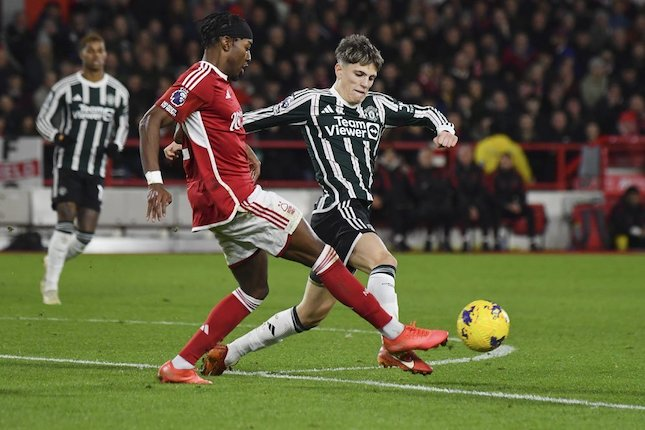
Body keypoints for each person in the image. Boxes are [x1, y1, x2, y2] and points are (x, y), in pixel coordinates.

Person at [140, 13, 449, 385]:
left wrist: (444, 127)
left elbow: (223, 128)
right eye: (246, 47)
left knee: (274, 298)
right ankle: (394, 335)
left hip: (227, 206)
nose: (365, 84)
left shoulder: (377, 106)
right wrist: (157, 177)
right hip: (275, 201)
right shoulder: (298, 99)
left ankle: (201, 359)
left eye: (370, 77)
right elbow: (161, 119)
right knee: (357, 259)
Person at [36, 33, 129, 305]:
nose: (97, 55)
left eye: (101, 50)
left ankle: (52, 260)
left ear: (105, 55)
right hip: (68, 164)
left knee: (85, 234)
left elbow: (123, 125)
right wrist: (58, 137)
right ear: (82, 54)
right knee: (66, 221)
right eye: (91, 51)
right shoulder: (66, 87)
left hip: (96, 167)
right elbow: (42, 119)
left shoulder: (118, 92)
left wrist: (117, 145)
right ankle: (50, 288)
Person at [411, 147, 455, 252]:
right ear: (419, 159)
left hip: (437, 203)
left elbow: (444, 189)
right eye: (425, 157)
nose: (428, 159)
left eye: (429, 157)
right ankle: (429, 239)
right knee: (430, 210)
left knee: (447, 209)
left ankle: (445, 239)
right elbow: (415, 192)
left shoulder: (438, 172)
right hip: (420, 204)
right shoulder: (414, 172)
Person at [452, 144, 495, 251]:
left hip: (477, 202)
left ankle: (485, 239)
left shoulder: (478, 171)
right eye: (463, 155)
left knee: (487, 206)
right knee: (460, 208)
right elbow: (457, 191)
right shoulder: (454, 171)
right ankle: (465, 239)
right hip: (461, 202)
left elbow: (482, 190)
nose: (465, 157)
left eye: (467, 154)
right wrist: (470, 207)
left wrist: (475, 206)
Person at [372, 147, 416, 251]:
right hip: (380, 202)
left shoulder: (401, 171)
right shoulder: (377, 169)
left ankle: (399, 239)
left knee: (408, 211)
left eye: (392, 155)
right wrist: (372, 196)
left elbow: (410, 188)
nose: (390, 157)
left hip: (398, 202)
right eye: (388, 154)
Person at [491, 153, 538, 251]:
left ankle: (532, 241)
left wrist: (519, 205)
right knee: (494, 211)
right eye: (503, 160)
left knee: (530, 211)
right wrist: (507, 205)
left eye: (507, 160)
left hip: (516, 207)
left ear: (511, 162)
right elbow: (495, 196)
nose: (505, 163)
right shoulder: (495, 176)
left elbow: (522, 193)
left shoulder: (517, 176)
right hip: (502, 207)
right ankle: (496, 241)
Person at [608, 186, 645, 250]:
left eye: (635, 196)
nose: (634, 199)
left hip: (639, 238)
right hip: (623, 236)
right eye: (632, 197)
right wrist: (638, 231)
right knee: (622, 239)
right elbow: (621, 226)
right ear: (627, 197)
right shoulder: (619, 209)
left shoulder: (641, 208)